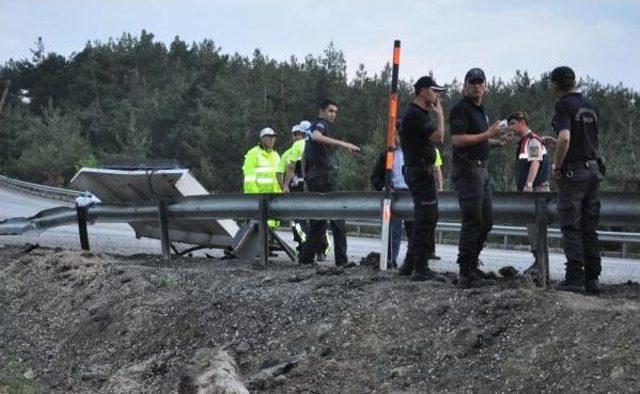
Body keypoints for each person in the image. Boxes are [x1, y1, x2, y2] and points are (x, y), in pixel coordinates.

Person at [449, 68, 507, 288]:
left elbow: (478, 139)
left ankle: (471, 265)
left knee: (487, 221)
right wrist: (488, 135)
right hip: (468, 171)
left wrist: (496, 141)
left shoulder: (481, 111)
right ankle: (465, 273)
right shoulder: (460, 109)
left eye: (479, 82)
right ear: (465, 85)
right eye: (471, 82)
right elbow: (458, 140)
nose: (476, 85)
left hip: (482, 171)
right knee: (473, 220)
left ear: (485, 86)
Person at [549, 66, 603, 294]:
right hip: (593, 170)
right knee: (589, 226)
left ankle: (574, 277)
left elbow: (565, 138)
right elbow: (585, 138)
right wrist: (562, 146)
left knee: (571, 224)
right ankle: (593, 278)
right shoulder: (589, 105)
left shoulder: (563, 104)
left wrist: (557, 165)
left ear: (556, 84)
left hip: (574, 174)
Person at [298, 99, 360, 266]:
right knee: (338, 216)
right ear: (322, 111)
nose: (333, 115)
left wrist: (306, 178)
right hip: (323, 176)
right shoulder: (320, 124)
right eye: (331, 111)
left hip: (315, 176)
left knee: (318, 221)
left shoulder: (315, 128)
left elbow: (305, 157)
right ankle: (341, 261)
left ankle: (305, 258)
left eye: (335, 112)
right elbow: (318, 137)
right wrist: (342, 143)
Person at [397, 76, 446, 281]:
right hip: (419, 172)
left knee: (423, 218)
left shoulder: (416, 114)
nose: (438, 96)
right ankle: (420, 267)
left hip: (418, 171)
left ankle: (409, 263)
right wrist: (441, 115)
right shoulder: (417, 115)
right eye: (435, 91)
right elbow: (439, 137)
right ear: (423, 91)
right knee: (426, 219)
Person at [507, 111, 550, 274]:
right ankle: (539, 264)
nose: (510, 127)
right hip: (534, 190)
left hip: (537, 190)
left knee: (536, 229)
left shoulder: (532, 140)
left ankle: (541, 265)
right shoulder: (526, 141)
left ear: (522, 122)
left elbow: (535, 163)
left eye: (512, 123)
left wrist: (529, 184)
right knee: (533, 229)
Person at [371, 132, 414, 269]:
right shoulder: (387, 154)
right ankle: (390, 260)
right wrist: (385, 187)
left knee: (414, 230)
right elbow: (376, 177)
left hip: (411, 194)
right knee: (393, 231)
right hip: (394, 195)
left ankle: (413, 262)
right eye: (398, 135)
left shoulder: (413, 152)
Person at [242, 127, 282, 229]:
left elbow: (278, 177)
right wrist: (256, 198)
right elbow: (249, 180)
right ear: (262, 138)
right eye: (269, 137)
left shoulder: (276, 155)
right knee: (259, 234)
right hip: (259, 202)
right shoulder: (253, 154)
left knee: (271, 236)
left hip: (273, 201)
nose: (272, 139)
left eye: (273, 137)